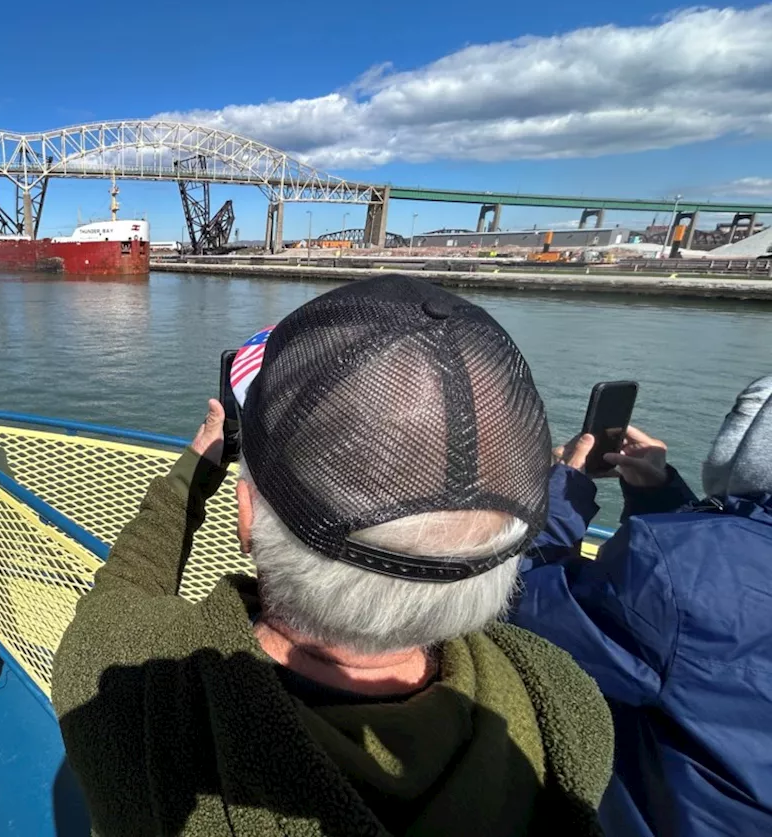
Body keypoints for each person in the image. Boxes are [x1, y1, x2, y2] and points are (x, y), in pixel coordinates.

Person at [52, 276, 614, 837]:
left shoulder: (121, 691)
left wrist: (193, 475)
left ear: (247, 518)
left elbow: (125, 586)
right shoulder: (562, 706)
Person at [514, 376, 772, 836]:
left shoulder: (691, 561)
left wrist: (559, 499)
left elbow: (517, 604)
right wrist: (660, 496)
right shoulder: (707, 559)